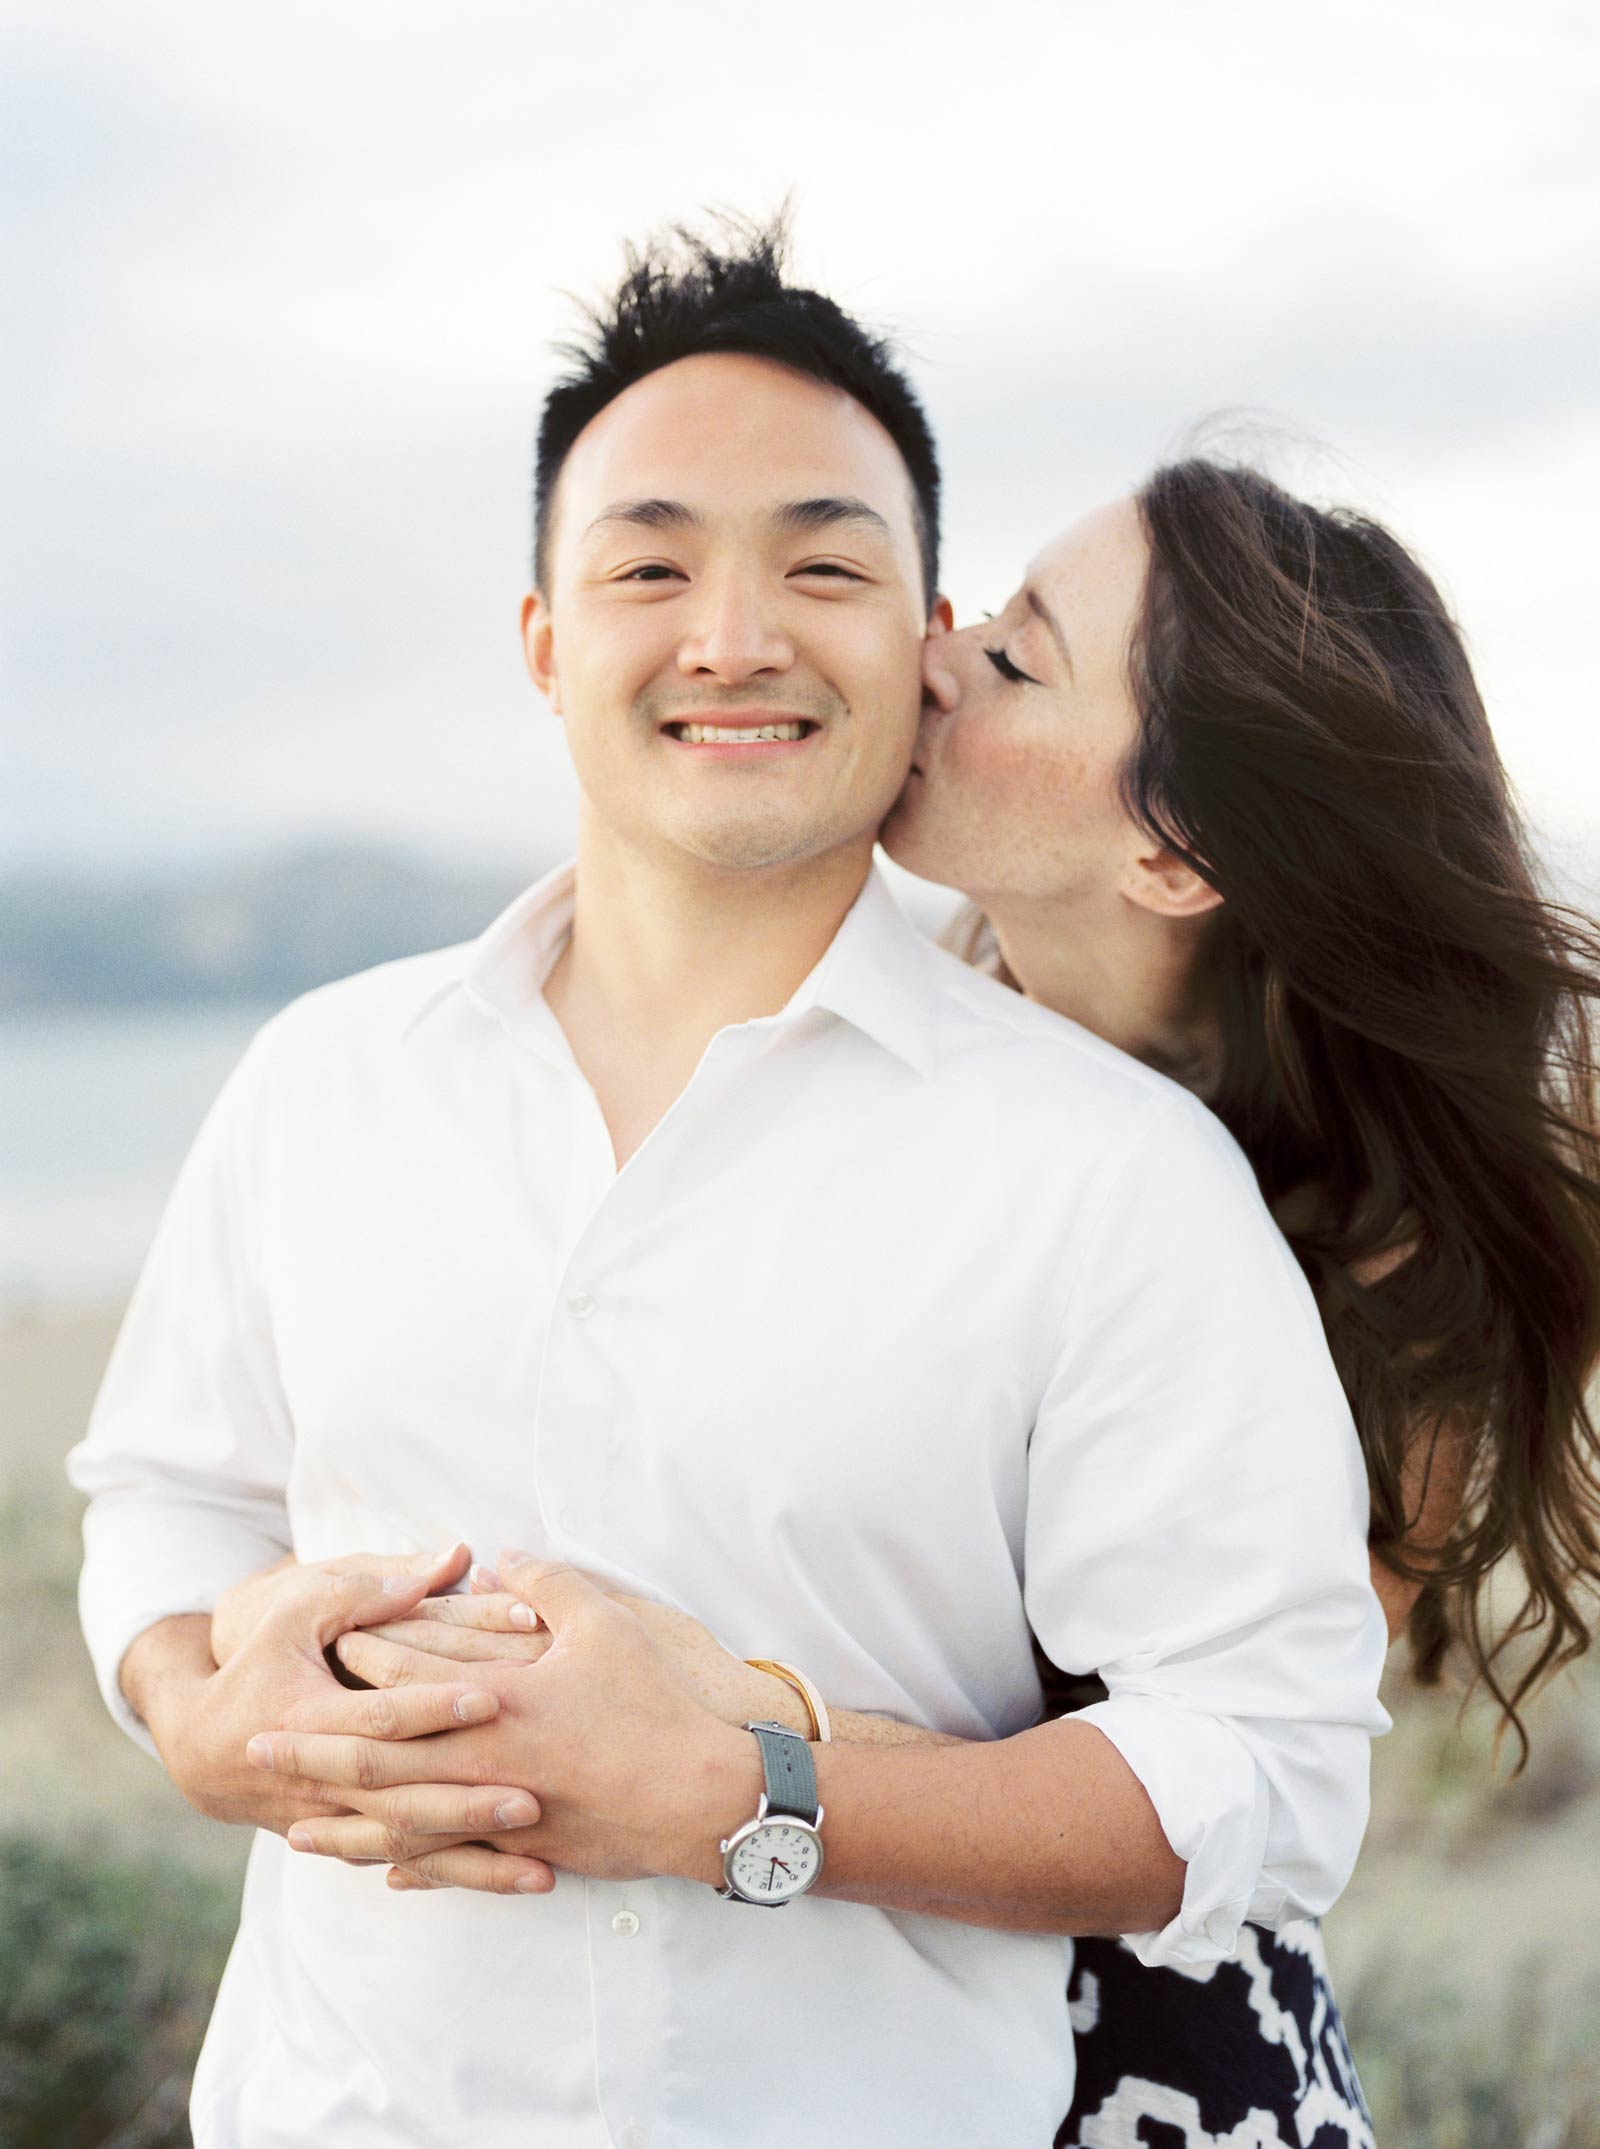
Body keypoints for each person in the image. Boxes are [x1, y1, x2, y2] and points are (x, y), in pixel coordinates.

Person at [67, 216, 1389, 2148]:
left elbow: (1263, 1774)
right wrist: (192, 1704)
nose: (735, 636)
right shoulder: (323, 1081)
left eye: (825, 564)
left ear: (926, 632)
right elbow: (165, 1498)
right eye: (651, 563)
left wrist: (732, 1785)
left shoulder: (1113, 1177)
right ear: (544, 639)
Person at [258, 459, 1600, 2149]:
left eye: (1025, 656)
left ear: (1174, 846)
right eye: (981, 600)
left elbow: (1226, 1768)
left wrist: (740, 1720)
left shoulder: (1379, 1265)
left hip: (1151, 2053)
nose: (940, 647)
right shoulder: (896, 1062)